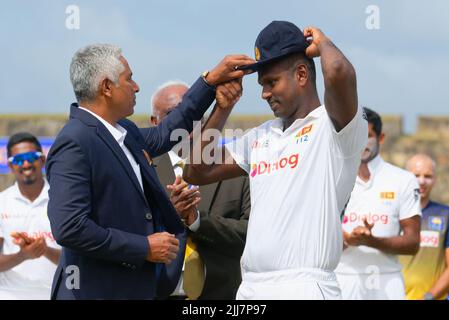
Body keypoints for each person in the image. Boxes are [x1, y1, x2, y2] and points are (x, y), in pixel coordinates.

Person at [45, 43, 254, 299]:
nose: (136, 87)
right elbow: (70, 228)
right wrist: (143, 246)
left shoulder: (124, 133)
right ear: (106, 87)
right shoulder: (75, 142)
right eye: (129, 78)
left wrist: (210, 82)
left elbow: (168, 131)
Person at [183, 21, 368, 299]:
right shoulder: (262, 135)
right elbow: (195, 171)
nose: (264, 94)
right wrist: (222, 110)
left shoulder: (333, 127)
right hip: (251, 286)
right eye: (262, 84)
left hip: (304, 285)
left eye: (272, 82)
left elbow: (338, 71)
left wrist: (324, 43)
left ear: (302, 74)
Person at [151, 81, 251, 299]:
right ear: (154, 121)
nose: (185, 122)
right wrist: (170, 216)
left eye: (193, 113)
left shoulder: (234, 168)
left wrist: (197, 221)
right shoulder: (143, 171)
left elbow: (252, 234)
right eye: (173, 114)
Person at [335, 108, 421, 300]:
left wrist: (371, 241)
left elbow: (413, 243)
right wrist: (347, 239)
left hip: (387, 282)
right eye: (355, 136)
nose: (360, 143)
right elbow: (314, 239)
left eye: (367, 136)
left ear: (381, 138)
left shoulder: (403, 179)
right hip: (342, 281)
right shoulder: (332, 178)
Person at [0, 132, 61, 299]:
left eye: (31, 157)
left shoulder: (63, 201)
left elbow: (77, 258)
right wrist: (23, 255)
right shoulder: (2, 201)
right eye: (18, 160)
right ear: (11, 166)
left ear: (42, 160)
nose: (25, 163)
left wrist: (45, 250)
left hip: (56, 293)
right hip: (9, 294)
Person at [399, 154, 449, 300]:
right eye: (416, 175)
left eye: (428, 176)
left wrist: (429, 297)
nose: (422, 181)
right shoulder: (391, 213)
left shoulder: (445, 215)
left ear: (435, 180)